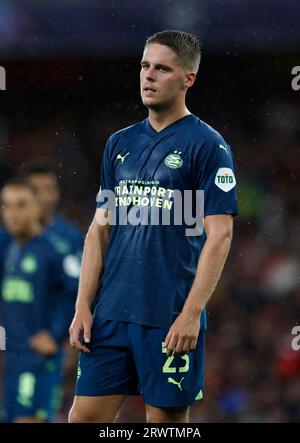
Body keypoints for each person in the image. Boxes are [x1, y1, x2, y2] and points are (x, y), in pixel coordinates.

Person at [69, 30, 238, 423]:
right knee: (83, 417)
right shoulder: (119, 144)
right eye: (145, 66)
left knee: (164, 424)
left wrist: (191, 313)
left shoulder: (208, 147)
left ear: (188, 79)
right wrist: (83, 305)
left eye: (162, 69)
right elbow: (100, 230)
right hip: (110, 313)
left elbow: (221, 234)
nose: (148, 76)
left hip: (168, 316)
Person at [0, 178, 76, 422]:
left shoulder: (52, 249)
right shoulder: (9, 248)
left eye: (21, 205)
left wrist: (55, 334)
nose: (12, 213)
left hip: (37, 358)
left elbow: (77, 293)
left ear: (37, 207)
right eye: (6, 205)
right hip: (13, 357)